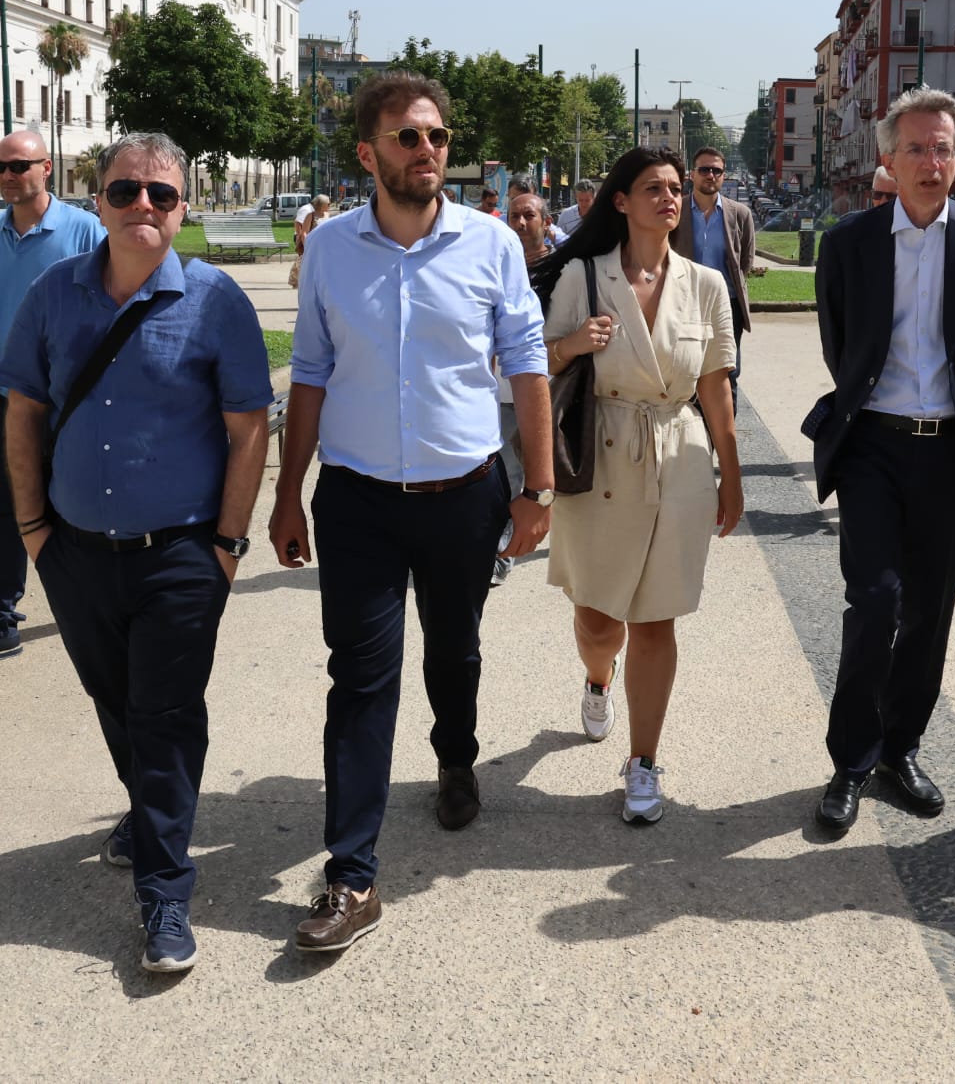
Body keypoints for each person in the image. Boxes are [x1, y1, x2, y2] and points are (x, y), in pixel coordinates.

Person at [269, 72, 554, 955]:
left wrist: (536, 487)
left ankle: (457, 755)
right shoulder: (329, 251)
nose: (428, 150)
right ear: (368, 154)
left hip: (463, 495)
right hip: (355, 500)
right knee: (359, 677)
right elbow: (308, 374)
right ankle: (352, 872)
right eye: (407, 137)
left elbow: (530, 366)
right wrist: (288, 493)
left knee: (455, 648)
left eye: (436, 136)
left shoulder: (492, 244)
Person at [0, 132, 273, 973]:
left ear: (184, 206)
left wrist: (226, 543)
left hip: (181, 552)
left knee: (164, 713)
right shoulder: (53, 294)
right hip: (75, 552)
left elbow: (248, 427)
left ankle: (164, 894)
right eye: (125, 192)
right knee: (116, 701)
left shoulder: (218, 300)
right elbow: (23, 413)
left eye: (161, 194)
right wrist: (35, 530)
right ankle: (151, 812)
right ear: (99, 199)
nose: (143, 206)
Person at [809, 87, 955, 833]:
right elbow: (842, 349)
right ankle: (850, 759)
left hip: (950, 454)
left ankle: (902, 747)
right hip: (872, 444)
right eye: (916, 148)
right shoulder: (850, 243)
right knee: (875, 601)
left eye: (943, 149)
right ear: (888, 160)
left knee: (929, 611)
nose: (931, 162)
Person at [534, 148, 742, 822]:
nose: (670, 197)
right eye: (654, 187)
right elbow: (535, 360)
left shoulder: (705, 283)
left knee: (656, 619)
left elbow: (716, 389)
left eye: (677, 187)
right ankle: (597, 676)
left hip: (678, 458)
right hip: (601, 458)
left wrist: (730, 474)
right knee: (599, 619)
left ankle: (644, 758)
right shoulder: (582, 275)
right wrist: (573, 344)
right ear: (619, 201)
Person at [0, 128, 104, 670]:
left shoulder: (85, 230)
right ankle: (0, 622)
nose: (10, 176)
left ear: (47, 168)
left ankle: (90, 606)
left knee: (76, 506)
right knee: (5, 512)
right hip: (4, 401)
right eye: (2, 167)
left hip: (67, 404)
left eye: (20, 166)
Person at [491, 191, 558, 586]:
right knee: (504, 472)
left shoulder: (563, 269)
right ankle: (500, 555)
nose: (520, 223)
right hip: (499, 392)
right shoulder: (494, 264)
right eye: (514, 215)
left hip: (547, 390)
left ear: (545, 222)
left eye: (528, 215)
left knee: (548, 474)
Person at [669, 147, 756, 406]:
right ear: (691, 175)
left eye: (716, 171)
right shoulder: (676, 210)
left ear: (723, 176)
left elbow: (745, 261)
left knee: (728, 372)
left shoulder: (739, 214)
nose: (710, 175)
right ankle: (692, 435)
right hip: (682, 303)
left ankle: (722, 440)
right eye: (704, 169)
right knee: (684, 369)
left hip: (726, 306)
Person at [289, 193, 331, 290]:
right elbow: (304, 232)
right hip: (313, 246)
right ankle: (307, 285)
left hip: (324, 246)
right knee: (309, 267)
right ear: (321, 205)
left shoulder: (327, 215)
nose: (329, 205)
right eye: (327, 204)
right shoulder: (310, 216)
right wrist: (307, 245)